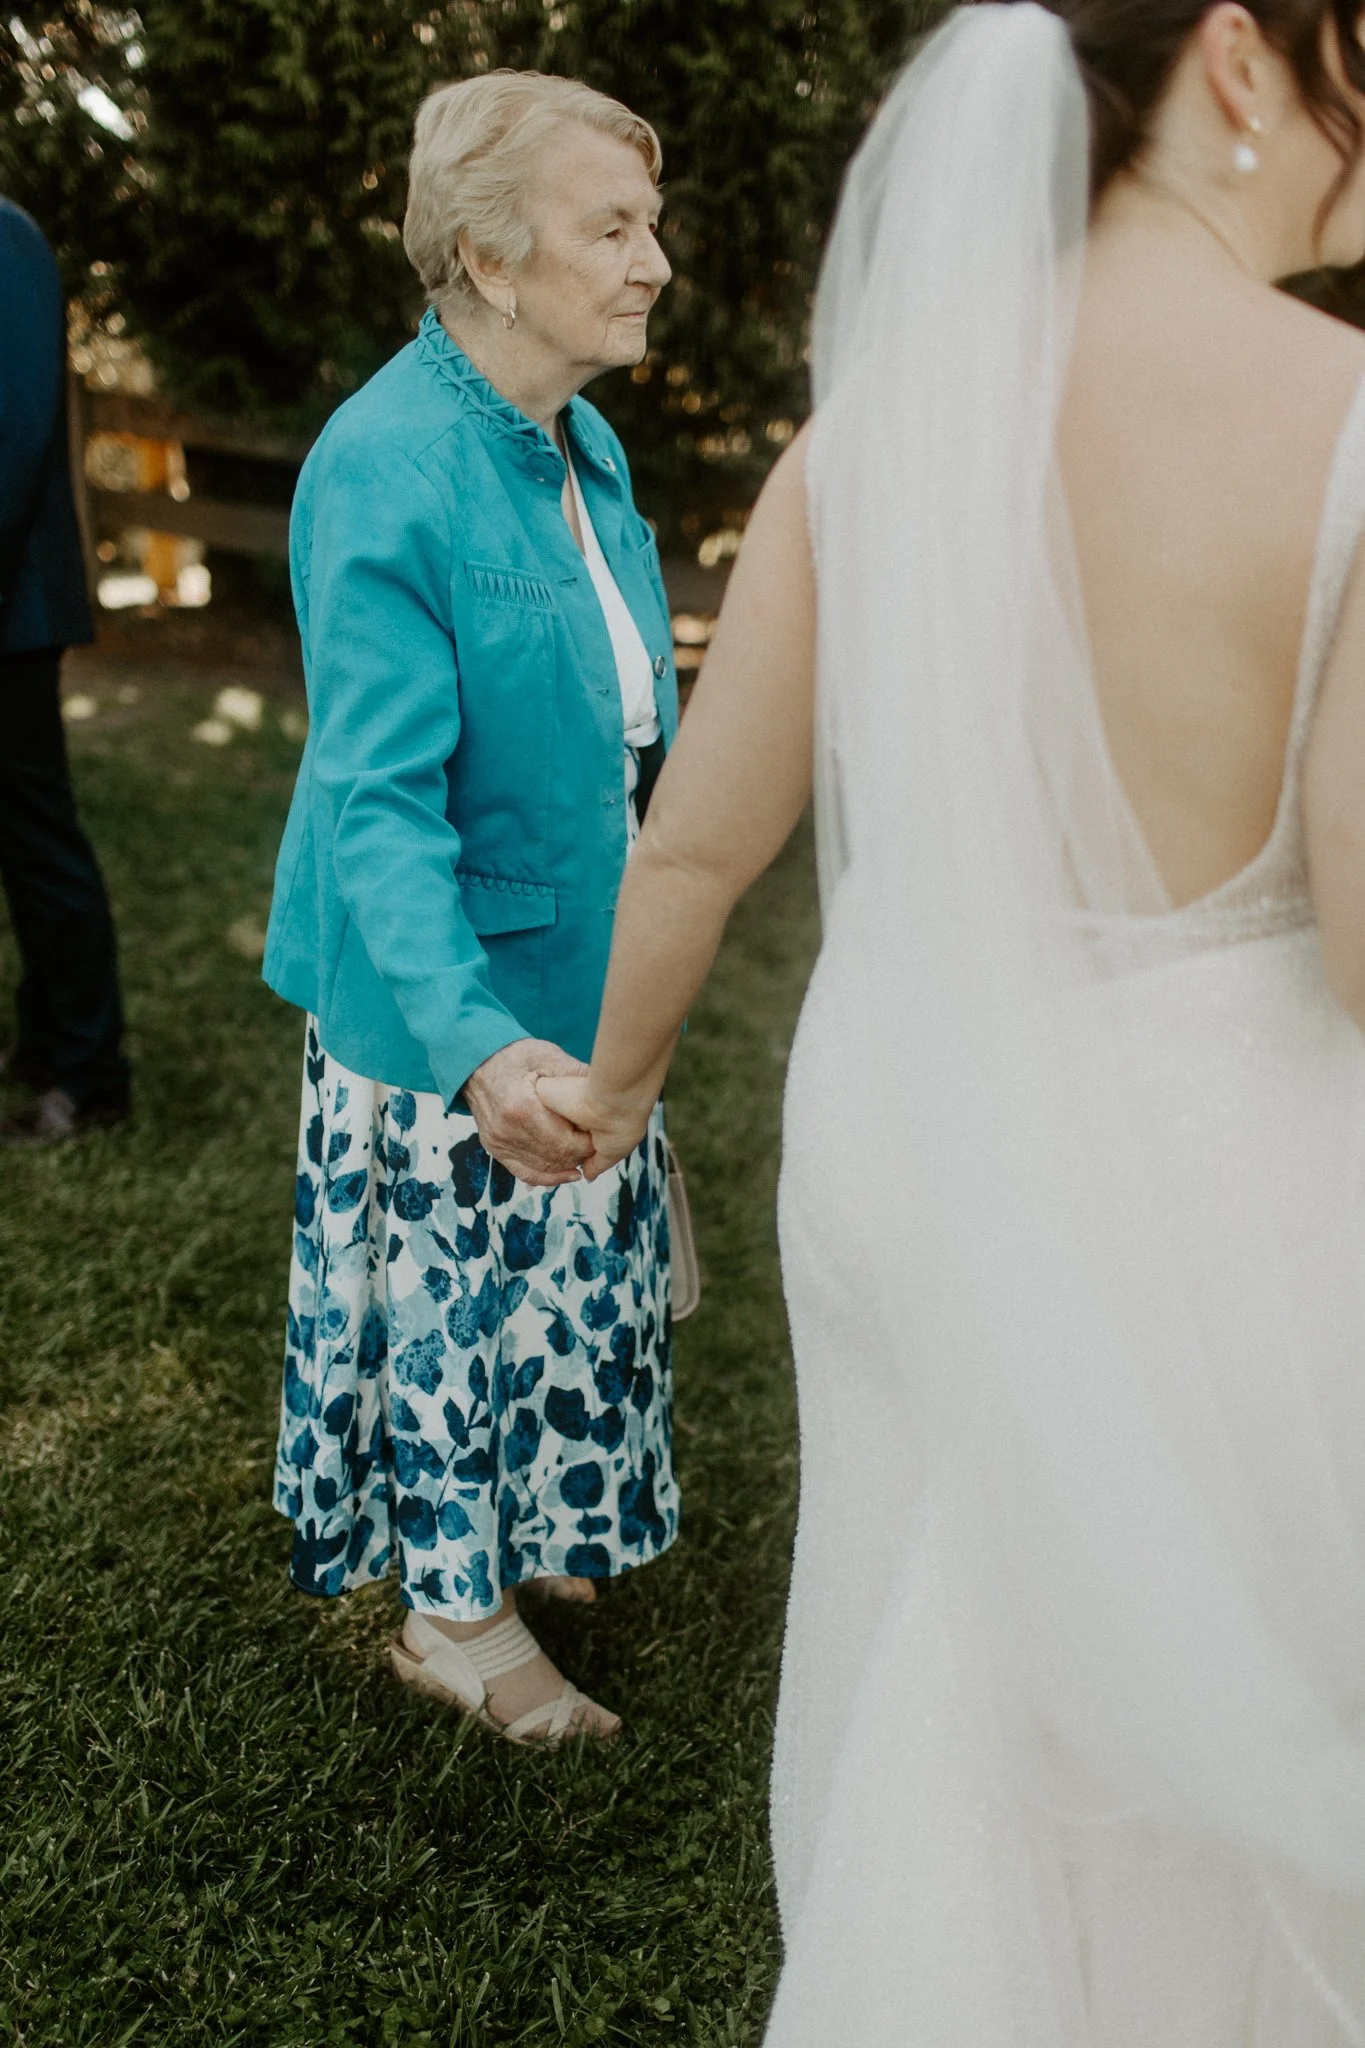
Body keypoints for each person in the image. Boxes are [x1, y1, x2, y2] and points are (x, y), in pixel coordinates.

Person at [542, 0, 1365, 2033]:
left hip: (906, 1133)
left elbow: (695, 846)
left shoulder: (878, 422)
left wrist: (613, 1088)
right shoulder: (1343, 418)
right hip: (1209, 1144)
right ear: (1243, 59)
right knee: (1194, 1676)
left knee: (950, 1627)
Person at [264, 71, 679, 1746]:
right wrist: (475, 1041)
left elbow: (615, 714)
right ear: (492, 263)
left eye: (652, 222)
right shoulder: (382, 465)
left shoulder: (587, 436)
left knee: (551, 1286)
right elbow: (374, 798)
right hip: (441, 1004)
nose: (657, 261)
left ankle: (531, 1522)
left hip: (581, 965)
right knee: (453, 1308)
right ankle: (452, 1615)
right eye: (613, 226)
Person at [0, 196, 130, 1144]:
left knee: (36, 836)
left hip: (9, 608)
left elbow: (14, 432)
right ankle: (42, 1042)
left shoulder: (6, 238)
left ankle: (89, 1079)